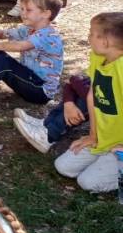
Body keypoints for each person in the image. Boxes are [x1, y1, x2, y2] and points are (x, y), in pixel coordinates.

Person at [42, 12, 123, 192]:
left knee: (88, 182)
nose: (88, 37)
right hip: (104, 139)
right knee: (63, 167)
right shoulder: (98, 57)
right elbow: (92, 96)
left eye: (92, 33)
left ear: (106, 42)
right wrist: (93, 135)